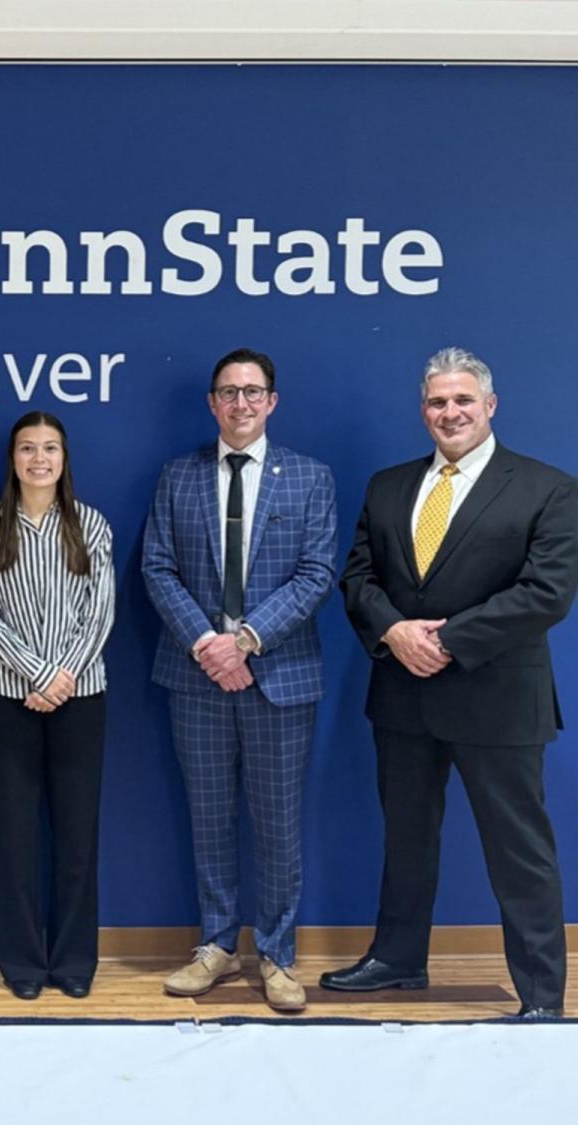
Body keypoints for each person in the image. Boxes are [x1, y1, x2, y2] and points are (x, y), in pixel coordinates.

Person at [323, 346, 578, 1019]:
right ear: (423, 410)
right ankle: (397, 959)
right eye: (437, 401)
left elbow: (547, 593)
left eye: (463, 399)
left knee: (519, 850)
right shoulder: (388, 485)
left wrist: (446, 640)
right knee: (406, 837)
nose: (450, 411)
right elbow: (357, 579)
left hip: (497, 698)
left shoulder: (547, 487)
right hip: (403, 694)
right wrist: (396, 632)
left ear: (490, 406)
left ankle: (543, 995)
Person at [140, 347, 336, 1012]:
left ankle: (278, 955)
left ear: (272, 401)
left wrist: (247, 640)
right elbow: (158, 567)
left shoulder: (309, 478)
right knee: (209, 817)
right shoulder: (179, 476)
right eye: (229, 391)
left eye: (253, 391)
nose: (241, 403)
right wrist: (208, 644)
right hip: (197, 677)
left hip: (280, 676)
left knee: (279, 823)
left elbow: (316, 572)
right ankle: (217, 946)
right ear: (212, 402)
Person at [0, 411, 114, 1001]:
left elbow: (100, 611)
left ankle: (74, 958)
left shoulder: (91, 525)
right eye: (27, 448)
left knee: (77, 837)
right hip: (8, 697)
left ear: (64, 458)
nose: (39, 460)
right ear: (13, 459)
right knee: (18, 838)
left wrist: (62, 676)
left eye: (50, 449)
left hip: (81, 695)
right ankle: (22, 960)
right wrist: (36, 672)